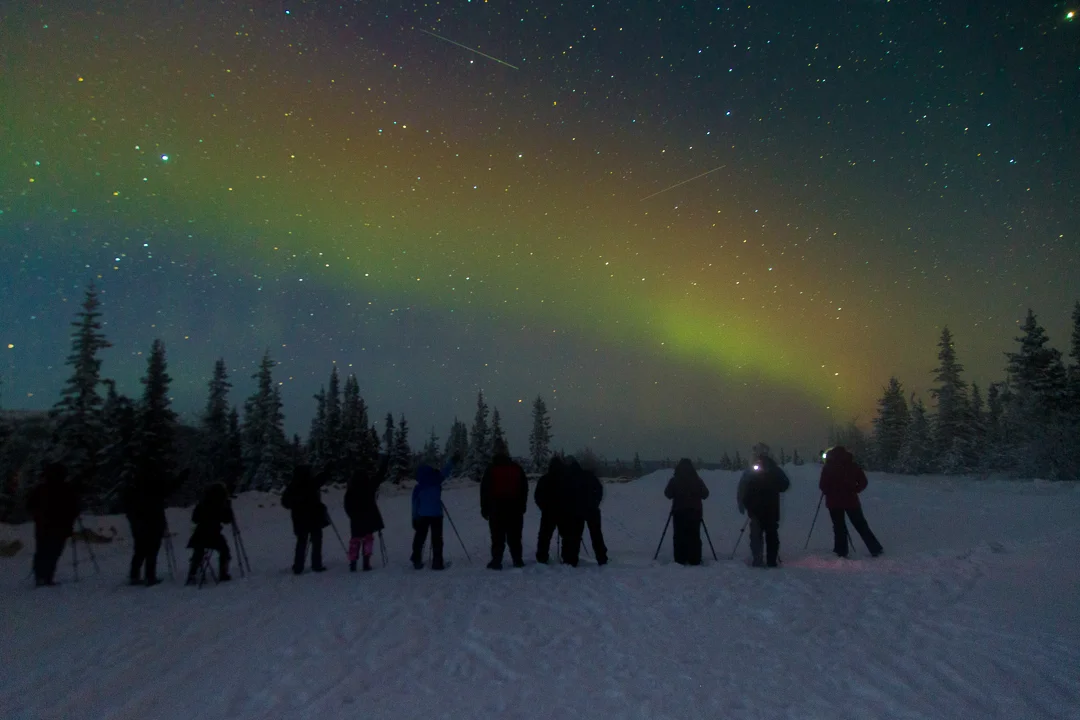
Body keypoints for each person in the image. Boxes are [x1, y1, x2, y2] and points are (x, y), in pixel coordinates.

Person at [124, 467, 189, 586]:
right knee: (152, 549)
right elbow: (170, 489)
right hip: (153, 521)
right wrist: (182, 478)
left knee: (140, 549)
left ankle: (134, 575)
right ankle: (149, 576)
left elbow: (127, 504)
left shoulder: (134, 487)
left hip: (138, 522)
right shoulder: (154, 486)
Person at [819, 446, 883, 557]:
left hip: (833, 502)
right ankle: (875, 548)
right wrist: (855, 490)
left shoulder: (828, 467)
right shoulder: (852, 465)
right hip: (851, 500)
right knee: (861, 524)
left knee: (839, 526)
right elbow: (863, 481)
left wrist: (829, 491)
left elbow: (822, 485)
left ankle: (841, 551)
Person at [26, 462, 79, 587]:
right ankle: (47, 577)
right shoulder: (67, 489)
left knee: (42, 551)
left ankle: (40, 576)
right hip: (60, 527)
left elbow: (30, 505)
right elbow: (74, 508)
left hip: (43, 526)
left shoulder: (41, 489)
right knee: (54, 552)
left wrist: (37, 516)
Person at [480, 439, 529, 569]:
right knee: (515, 536)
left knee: (497, 537)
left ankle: (496, 561)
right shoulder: (516, 468)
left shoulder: (491, 469)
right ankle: (517, 560)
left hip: (497, 508)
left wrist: (485, 508)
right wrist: (522, 505)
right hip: (514, 508)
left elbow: (485, 490)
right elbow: (524, 488)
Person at [737, 454, 790, 567]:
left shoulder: (754, 472)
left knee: (758, 536)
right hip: (769, 510)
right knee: (770, 536)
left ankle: (759, 560)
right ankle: (770, 560)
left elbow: (744, 489)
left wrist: (746, 504)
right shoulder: (773, 471)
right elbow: (784, 485)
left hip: (758, 510)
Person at [411, 455, 458, 570]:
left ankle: (416, 559)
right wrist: (452, 461)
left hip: (422, 515)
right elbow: (446, 470)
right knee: (437, 539)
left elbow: (415, 505)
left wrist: (414, 518)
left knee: (420, 538)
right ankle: (437, 563)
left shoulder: (418, 487)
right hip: (436, 514)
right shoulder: (437, 480)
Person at [281, 465, 329, 574]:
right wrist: (327, 471)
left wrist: (295, 504)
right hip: (313, 517)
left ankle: (298, 566)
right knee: (316, 541)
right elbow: (321, 479)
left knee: (301, 542)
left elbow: (285, 502)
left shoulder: (293, 486)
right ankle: (316, 564)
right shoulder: (311, 483)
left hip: (299, 519)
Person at [344, 455, 389, 572]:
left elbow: (347, 505)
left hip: (355, 520)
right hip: (369, 518)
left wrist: (352, 515)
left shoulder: (351, 490)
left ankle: (353, 563)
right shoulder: (370, 486)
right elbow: (380, 476)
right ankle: (366, 563)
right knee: (368, 539)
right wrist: (384, 464)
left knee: (355, 540)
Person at [185, 482, 234, 584]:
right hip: (214, 536)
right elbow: (227, 520)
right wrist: (228, 508)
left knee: (198, 551)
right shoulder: (220, 505)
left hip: (199, 535)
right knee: (225, 551)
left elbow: (195, 519)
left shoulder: (203, 503)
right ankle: (223, 573)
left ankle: (192, 573)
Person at [664, 458, 710, 565]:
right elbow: (705, 494)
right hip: (695, 512)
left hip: (679, 512)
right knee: (694, 535)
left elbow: (667, 494)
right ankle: (695, 559)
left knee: (679, 535)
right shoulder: (697, 480)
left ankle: (680, 559)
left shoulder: (675, 480)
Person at [572, 458, 608, 565]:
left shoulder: (573, 478)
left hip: (578, 511)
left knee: (576, 535)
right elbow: (599, 491)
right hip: (592, 510)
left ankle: (573, 558)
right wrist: (595, 503)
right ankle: (602, 557)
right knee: (596, 535)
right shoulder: (591, 477)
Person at [533, 456, 565, 564]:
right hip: (563, 512)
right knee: (566, 536)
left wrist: (544, 507)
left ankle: (542, 557)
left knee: (544, 536)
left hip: (548, 512)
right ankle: (568, 556)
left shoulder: (544, 479)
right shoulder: (565, 479)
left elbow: (537, 496)